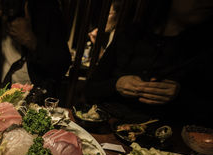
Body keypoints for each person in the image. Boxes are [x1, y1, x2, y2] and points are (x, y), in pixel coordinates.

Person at [83, 0, 213, 126]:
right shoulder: (131, 33)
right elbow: (90, 89)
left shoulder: (204, 49)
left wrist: (180, 95)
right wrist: (116, 84)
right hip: (105, 123)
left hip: (164, 138)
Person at [0, 0, 71, 98]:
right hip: (1, 97)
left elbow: (62, 66)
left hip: (36, 99)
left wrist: (31, 41)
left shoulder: (45, 8)